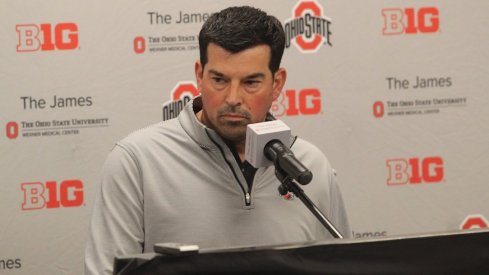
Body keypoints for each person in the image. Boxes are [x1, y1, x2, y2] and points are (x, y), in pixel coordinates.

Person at [85, 6, 351, 274]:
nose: (233, 98)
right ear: (200, 75)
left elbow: (344, 267)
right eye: (219, 79)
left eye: (251, 82)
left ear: (277, 83)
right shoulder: (137, 161)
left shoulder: (310, 166)